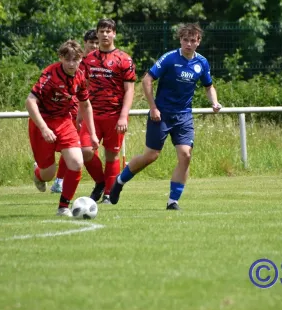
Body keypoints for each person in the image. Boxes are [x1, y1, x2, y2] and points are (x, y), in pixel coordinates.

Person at [109, 23, 222, 210]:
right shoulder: (169, 58)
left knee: (185, 155)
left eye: (192, 41)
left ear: (198, 42)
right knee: (151, 156)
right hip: (161, 115)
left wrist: (214, 102)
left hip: (184, 116)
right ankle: (120, 181)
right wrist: (153, 107)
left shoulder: (202, 62)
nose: (188, 44)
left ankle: (173, 201)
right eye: (185, 40)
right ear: (180, 40)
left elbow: (208, 86)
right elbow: (147, 79)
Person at [26, 40, 99, 216]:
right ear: (61, 58)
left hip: (64, 122)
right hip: (42, 123)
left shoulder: (80, 76)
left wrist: (93, 134)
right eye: (68, 60)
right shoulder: (50, 75)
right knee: (48, 174)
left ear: (81, 58)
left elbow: (86, 105)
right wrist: (43, 128)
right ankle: (39, 173)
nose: (72, 64)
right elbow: (30, 101)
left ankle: (63, 207)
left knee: (76, 162)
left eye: (76, 59)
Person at [79, 19, 136, 204]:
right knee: (85, 151)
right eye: (101, 31)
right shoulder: (88, 60)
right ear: (97, 34)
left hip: (114, 116)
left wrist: (123, 116)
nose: (105, 34)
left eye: (108, 31)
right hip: (92, 116)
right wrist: (80, 115)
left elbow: (129, 90)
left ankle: (109, 195)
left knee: (111, 154)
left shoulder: (124, 59)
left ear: (114, 34)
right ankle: (101, 182)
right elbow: (82, 88)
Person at [50, 29, 99, 193]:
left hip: (89, 109)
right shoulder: (76, 61)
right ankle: (55, 176)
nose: (94, 45)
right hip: (71, 110)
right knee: (69, 145)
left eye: (97, 42)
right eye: (91, 42)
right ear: (85, 43)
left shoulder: (100, 62)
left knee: (83, 147)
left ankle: (101, 183)